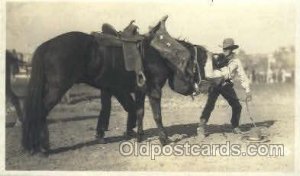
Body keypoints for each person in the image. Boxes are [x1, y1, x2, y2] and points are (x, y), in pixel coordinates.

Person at [198, 38, 252, 137]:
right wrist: (210, 58)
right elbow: (208, 73)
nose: (225, 50)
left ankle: (235, 126)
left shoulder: (236, 61)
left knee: (237, 106)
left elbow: (242, 75)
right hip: (214, 83)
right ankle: (201, 126)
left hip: (226, 84)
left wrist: (247, 90)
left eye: (227, 49)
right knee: (210, 104)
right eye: (224, 49)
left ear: (232, 49)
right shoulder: (216, 58)